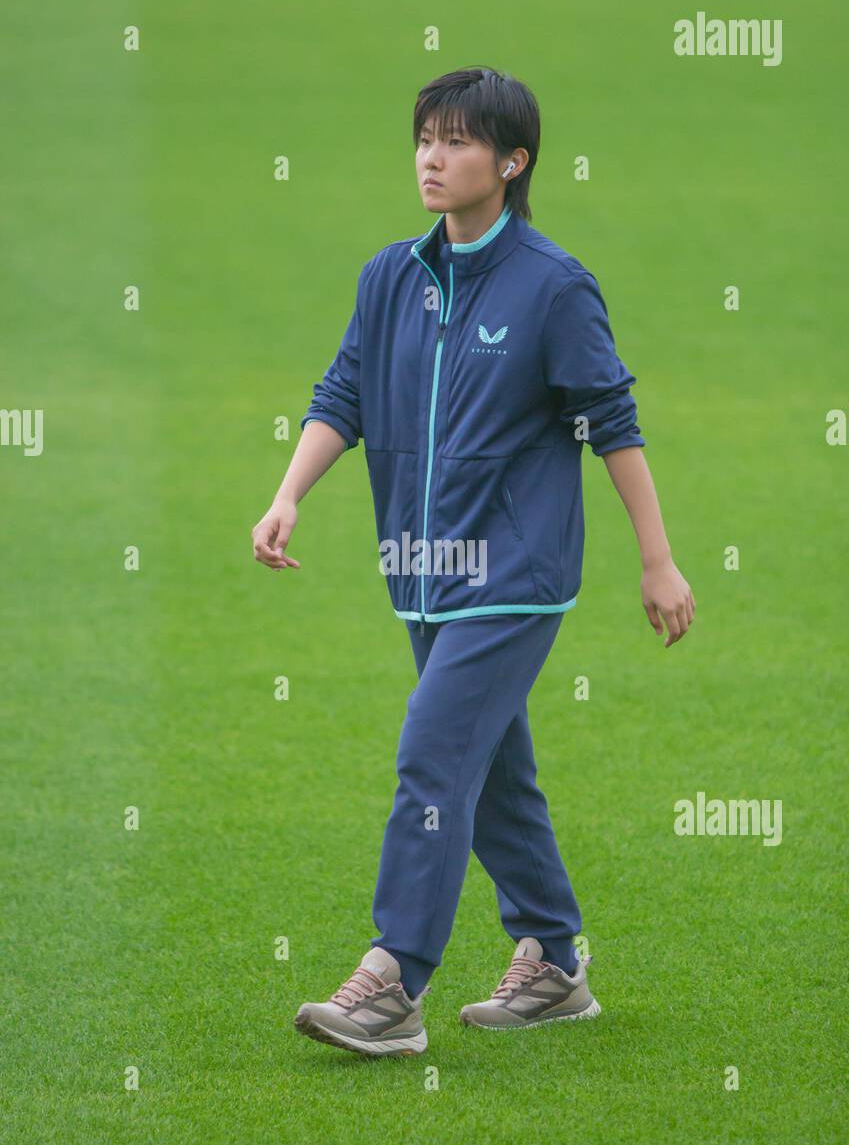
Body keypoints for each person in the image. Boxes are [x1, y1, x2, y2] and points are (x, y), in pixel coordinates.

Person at [252, 66, 695, 1058]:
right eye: (423, 138)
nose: (430, 157)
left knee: (433, 751)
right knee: (488, 769)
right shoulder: (389, 276)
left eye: (454, 141)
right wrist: (288, 494)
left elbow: (610, 426)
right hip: (419, 569)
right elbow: (343, 394)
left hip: (514, 576)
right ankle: (550, 961)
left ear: (510, 162)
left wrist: (656, 561)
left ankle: (391, 983)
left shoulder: (551, 286)